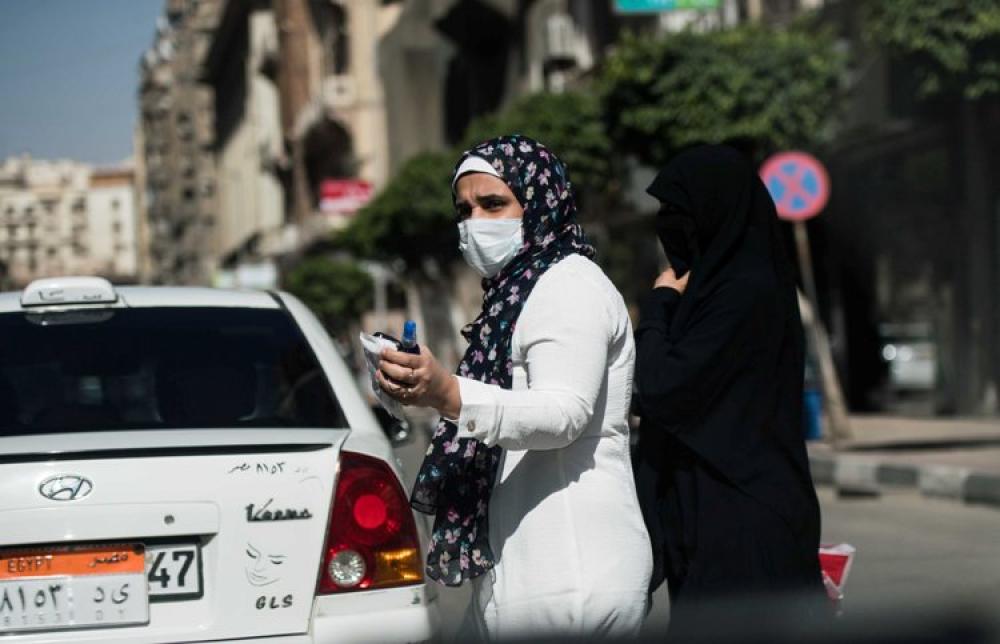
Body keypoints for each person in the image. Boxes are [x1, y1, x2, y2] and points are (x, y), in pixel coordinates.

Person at [376, 135, 653, 640]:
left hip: (573, 575)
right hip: (525, 576)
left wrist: (448, 393)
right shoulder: (515, 295)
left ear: (539, 200)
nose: (475, 222)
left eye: (493, 203)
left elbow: (563, 415)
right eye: (464, 210)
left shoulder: (567, 285)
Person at [632, 144, 826, 628]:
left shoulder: (742, 294)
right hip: (715, 515)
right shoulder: (722, 290)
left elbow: (660, 385)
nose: (668, 225)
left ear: (715, 212)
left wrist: (658, 306)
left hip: (743, 520)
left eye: (677, 211)